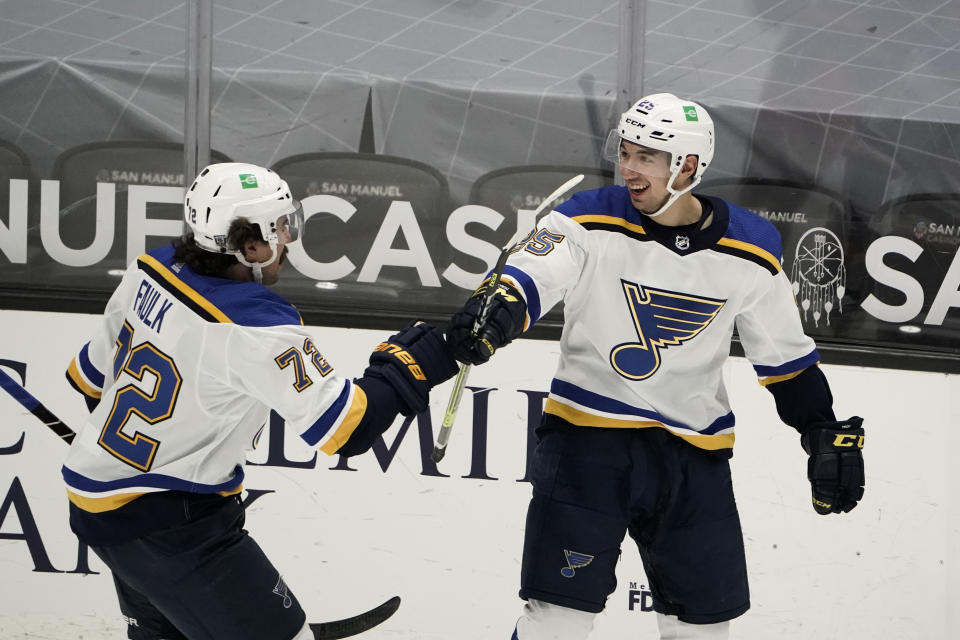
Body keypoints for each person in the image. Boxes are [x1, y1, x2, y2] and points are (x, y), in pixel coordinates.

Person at [447, 93, 865, 639]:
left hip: (693, 459)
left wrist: (821, 428)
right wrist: (501, 308)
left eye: (646, 156)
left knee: (702, 630)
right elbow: (535, 273)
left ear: (688, 166)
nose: (628, 167)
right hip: (586, 444)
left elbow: (786, 359)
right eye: (625, 151)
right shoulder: (584, 218)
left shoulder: (753, 248)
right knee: (558, 621)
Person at [62, 162, 458, 640]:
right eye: (281, 227)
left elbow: (88, 380)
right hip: (171, 527)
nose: (287, 239)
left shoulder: (151, 269)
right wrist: (417, 364)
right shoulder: (253, 324)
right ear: (250, 245)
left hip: (100, 503)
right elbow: (347, 430)